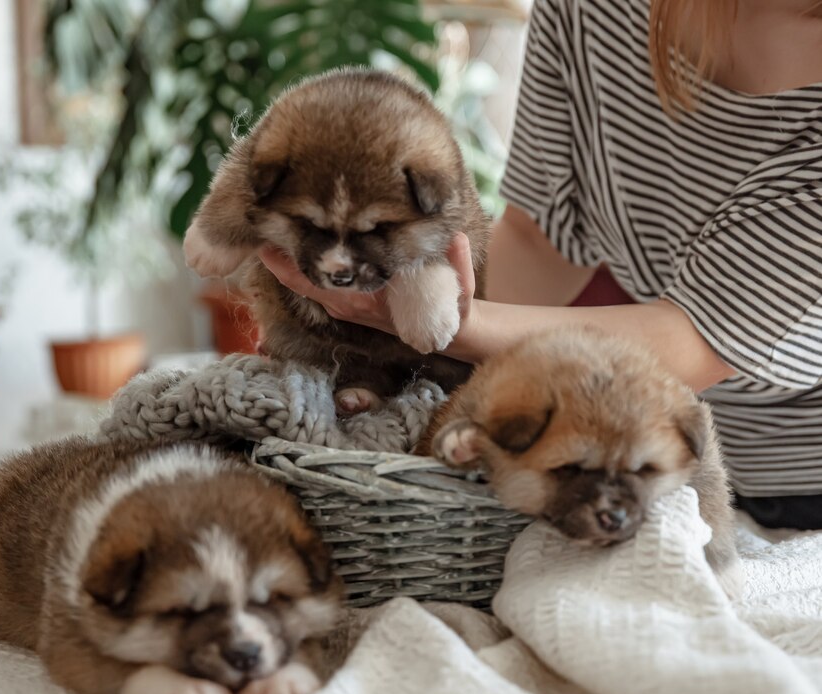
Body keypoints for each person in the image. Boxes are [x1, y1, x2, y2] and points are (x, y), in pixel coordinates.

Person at [259, 0, 822, 529]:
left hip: (797, 484)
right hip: (608, 457)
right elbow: (538, 236)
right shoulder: (592, 12)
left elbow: (693, 341)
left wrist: (455, 326)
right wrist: (438, 367)